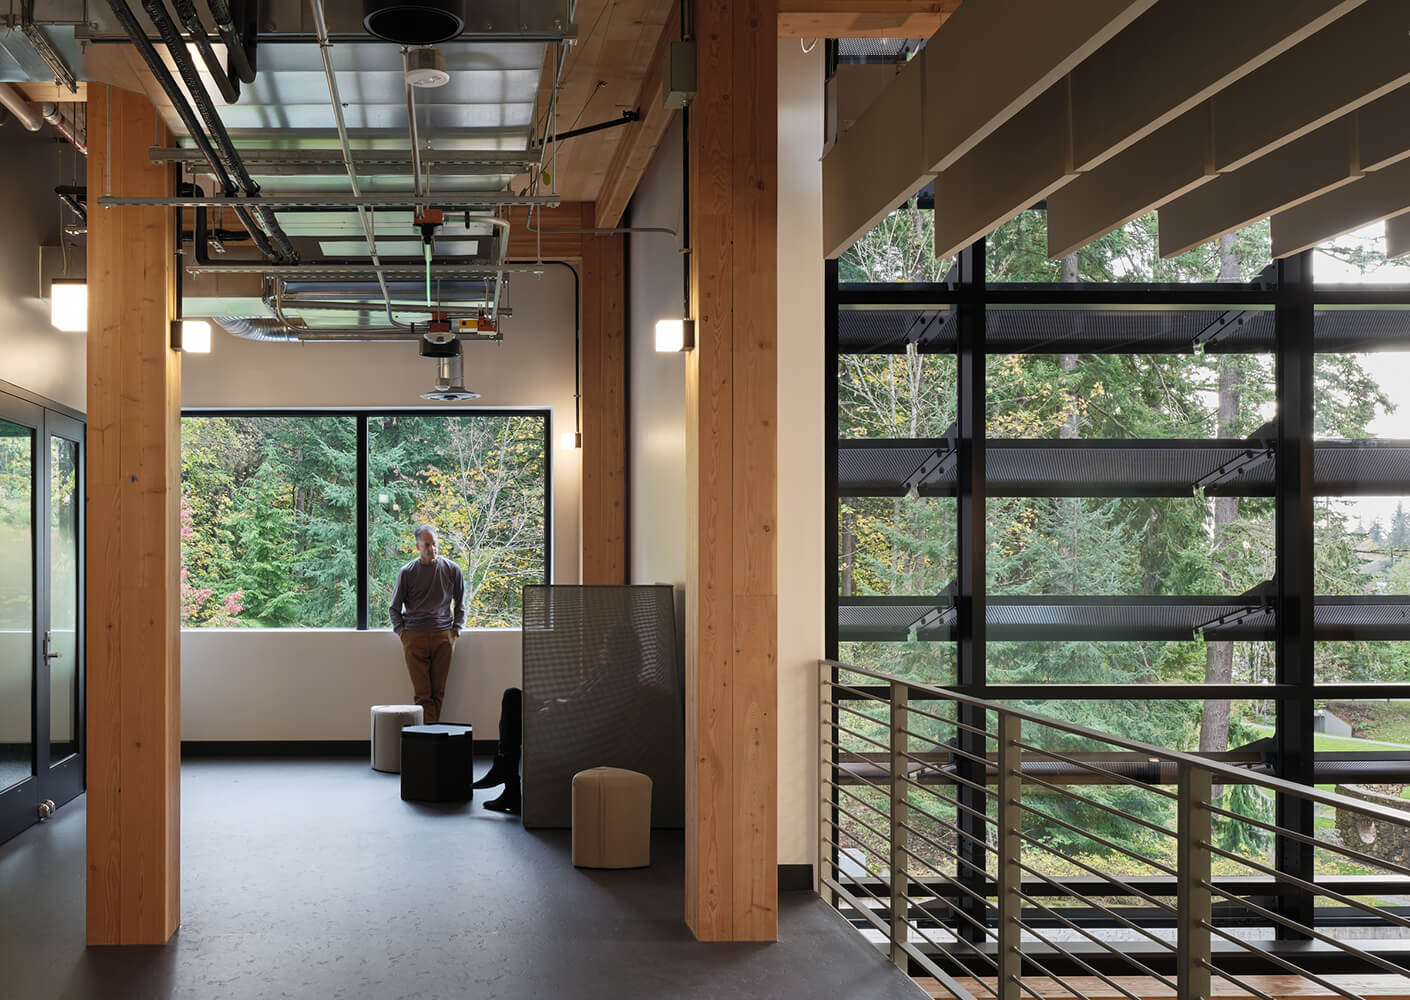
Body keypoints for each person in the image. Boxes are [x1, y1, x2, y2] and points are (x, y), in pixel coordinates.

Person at [388, 524, 465, 724]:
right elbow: (394, 608)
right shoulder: (407, 572)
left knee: (438, 693)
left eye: (435, 544)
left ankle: (429, 740)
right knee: (422, 695)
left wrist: (455, 631)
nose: (433, 549)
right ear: (418, 547)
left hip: (443, 636)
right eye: (427, 545)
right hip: (414, 636)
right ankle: (431, 740)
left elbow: (461, 604)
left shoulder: (452, 570)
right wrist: (404, 634)